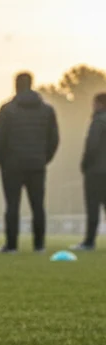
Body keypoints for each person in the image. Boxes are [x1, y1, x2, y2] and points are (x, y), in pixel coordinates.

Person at [0, 72, 59, 253]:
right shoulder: (47, 110)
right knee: (38, 206)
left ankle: (11, 245)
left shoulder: (7, 110)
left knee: (12, 206)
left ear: (16, 86)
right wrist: (44, 158)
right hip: (37, 164)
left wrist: (2, 161)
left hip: (12, 165)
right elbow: (54, 139)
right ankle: (39, 245)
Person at [73, 93, 106, 251]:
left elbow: (92, 145)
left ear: (100, 104)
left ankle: (89, 242)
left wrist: (84, 164)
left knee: (93, 208)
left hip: (96, 171)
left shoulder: (98, 121)